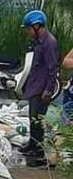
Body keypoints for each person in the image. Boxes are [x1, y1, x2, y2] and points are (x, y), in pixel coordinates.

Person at [21, 9, 59, 167]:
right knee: (32, 117)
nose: (29, 32)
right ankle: (32, 144)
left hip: (42, 87)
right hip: (35, 84)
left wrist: (48, 90)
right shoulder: (40, 42)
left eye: (29, 28)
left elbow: (53, 68)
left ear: (37, 26)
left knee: (38, 120)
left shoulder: (49, 43)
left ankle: (38, 151)